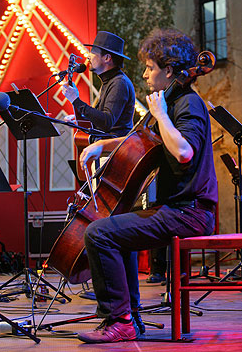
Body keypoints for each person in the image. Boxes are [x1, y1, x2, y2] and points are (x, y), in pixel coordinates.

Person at [76, 28, 218, 343]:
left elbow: (183, 152)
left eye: (150, 68)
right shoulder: (171, 102)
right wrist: (104, 146)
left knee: (98, 233)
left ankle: (120, 321)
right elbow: (143, 143)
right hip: (175, 208)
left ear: (169, 71)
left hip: (190, 212)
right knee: (112, 229)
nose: (144, 74)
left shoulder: (188, 105)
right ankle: (130, 317)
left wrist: (161, 115)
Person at [62, 31, 145, 333]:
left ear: (107, 58)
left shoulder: (119, 83)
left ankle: (127, 311)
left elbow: (109, 122)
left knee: (115, 235)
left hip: (114, 163)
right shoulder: (110, 83)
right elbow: (103, 120)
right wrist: (80, 114)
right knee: (114, 234)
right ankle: (127, 310)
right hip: (108, 161)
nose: (89, 57)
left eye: (94, 52)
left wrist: (78, 103)